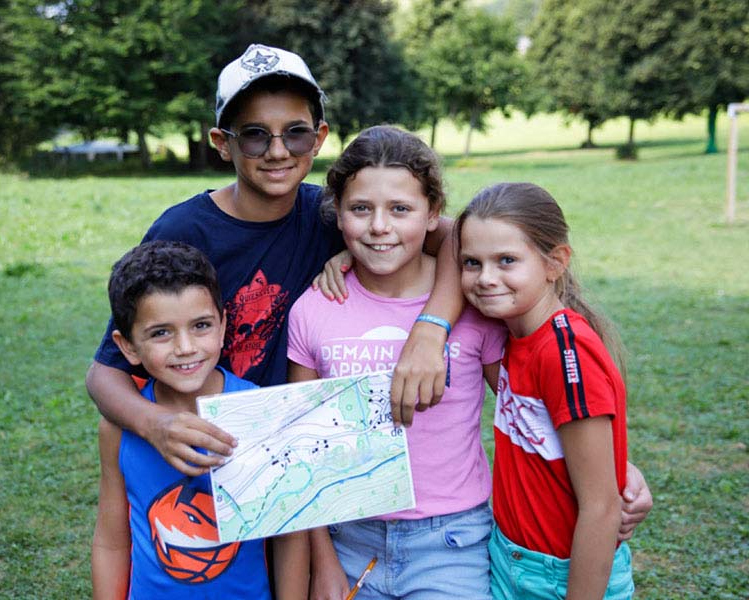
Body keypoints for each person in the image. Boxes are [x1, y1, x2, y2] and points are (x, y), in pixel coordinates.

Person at [85, 43, 457, 480]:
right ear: (223, 144)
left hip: (300, 453)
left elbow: (462, 242)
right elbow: (104, 373)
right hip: (211, 454)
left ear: (319, 139)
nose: (278, 151)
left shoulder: (338, 216)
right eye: (256, 134)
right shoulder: (183, 232)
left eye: (295, 132)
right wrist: (156, 424)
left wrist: (432, 328)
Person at [287, 125, 508, 599]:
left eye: (401, 209)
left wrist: (608, 470)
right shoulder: (315, 308)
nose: (379, 226)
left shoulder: (472, 305)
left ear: (433, 215)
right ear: (339, 215)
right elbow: (303, 449)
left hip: (452, 542)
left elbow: (523, 412)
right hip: (348, 540)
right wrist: (322, 563)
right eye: (360, 209)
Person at [456, 182, 635, 599]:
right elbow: (425, 230)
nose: (486, 278)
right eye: (471, 262)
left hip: (560, 576)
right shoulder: (512, 334)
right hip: (507, 559)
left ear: (554, 263)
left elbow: (602, 507)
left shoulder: (563, 352)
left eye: (506, 261)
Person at [91, 240, 290, 599]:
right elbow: (111, 542)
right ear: (127, 346)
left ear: (223, 323)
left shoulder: (261, 411)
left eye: (201, 325)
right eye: (161, 333)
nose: (185, 347)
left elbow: (290, 532)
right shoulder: (118, 428)